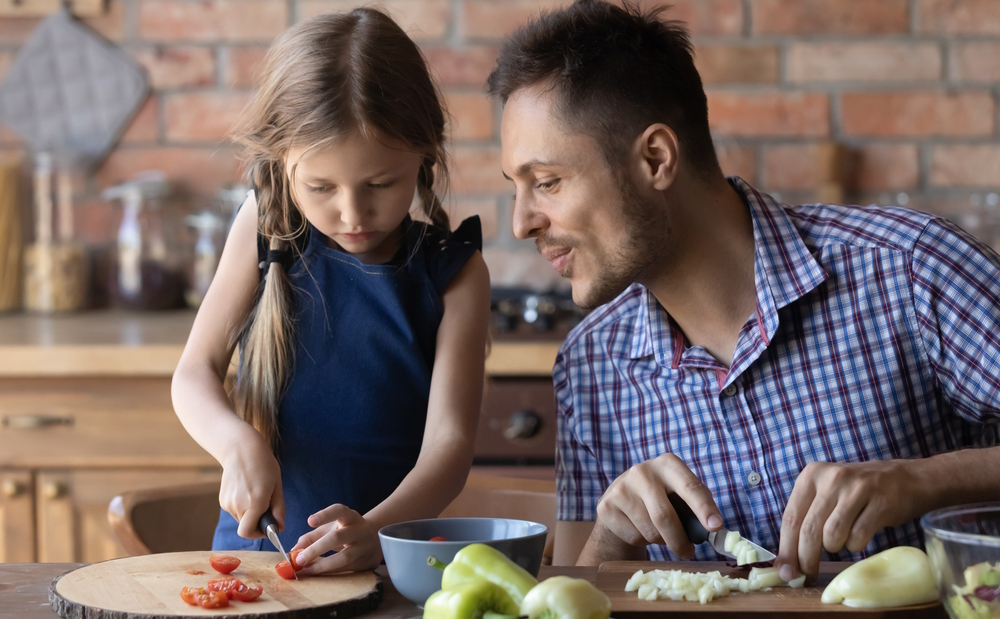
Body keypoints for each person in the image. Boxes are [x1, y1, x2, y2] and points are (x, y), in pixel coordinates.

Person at [487, 0, 1000, 582]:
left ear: (656, 158)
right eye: (517, 188)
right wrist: (612, 535)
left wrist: (921, 479)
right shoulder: (589, 366)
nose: (521, 222)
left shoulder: (908, 268)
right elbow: (574, 601)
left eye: (547, 183)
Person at [172, 8, 491, 574]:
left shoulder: (457, 275)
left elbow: (448, 450)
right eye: (320, 186)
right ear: (282, 164)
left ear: (425, 153)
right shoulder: (264, 228)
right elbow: (193, 373)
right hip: (254, 564)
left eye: (380, 184)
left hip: (387, 565)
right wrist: (234, 442)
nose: (351, 213)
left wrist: (377, 531)